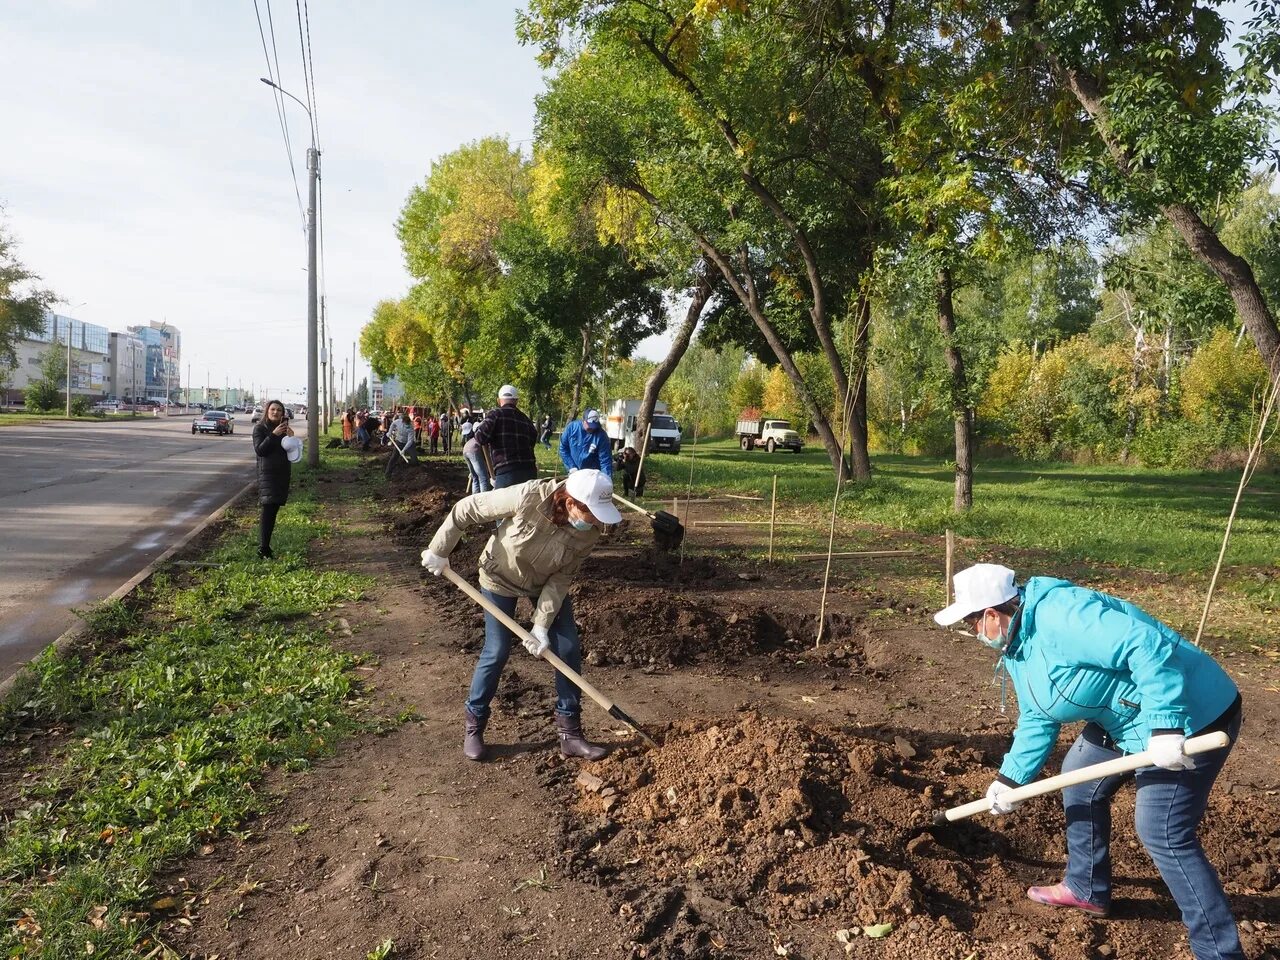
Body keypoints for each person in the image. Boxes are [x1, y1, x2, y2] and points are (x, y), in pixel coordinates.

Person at [933, 564, 1244, 960]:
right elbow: (1038, 714)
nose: (975, 634)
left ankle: (1218, 951)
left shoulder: (1062, 618)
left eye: (973, 624)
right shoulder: (1017, 642)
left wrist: (1166, 725)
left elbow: (1146, 646)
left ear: (992, 614)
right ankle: (1087, 888)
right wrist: (1009, 779)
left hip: (1191, 715)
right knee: (1079, 781)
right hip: (1120, 715)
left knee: (1162, 831)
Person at [420, 469, 623, 762]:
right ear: (571, 503)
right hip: (499, 577)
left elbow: (561, 579)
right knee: (498, 649)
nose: (597, 521)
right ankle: (474, 726)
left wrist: (541, 626)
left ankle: (571, 735)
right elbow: (466, 509)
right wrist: (440, 549)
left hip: (543, 585)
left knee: (567, 647)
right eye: (592, 513)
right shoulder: (529, 495)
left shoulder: (588, 534)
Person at [473, 384, 538, 489]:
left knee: (503, 505)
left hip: (506, 472)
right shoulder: (526, 420)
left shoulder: (495, 414)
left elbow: (480, 437)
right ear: (516, 401)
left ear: (499, 401)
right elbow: (533, 441)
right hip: (529, 472)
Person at [252, 400, 294, 559]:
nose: (275, 412)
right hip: (267, 474)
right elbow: (260, 450)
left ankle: (266, 547)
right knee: (268, 509)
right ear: (267, 411)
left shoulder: (285, 430)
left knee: (274, 509)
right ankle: (264, 549)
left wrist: (292, 439)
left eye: (279, 410)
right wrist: (273, 435)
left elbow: (293, 453)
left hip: (282, 473)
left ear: (283, 413)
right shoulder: (260, 428)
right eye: (273, 409)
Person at [559, 409, 613, 479]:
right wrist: (571, 467)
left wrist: (607, 479)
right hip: (574, 471)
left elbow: (605, 460)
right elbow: (563, 448)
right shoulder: (572, 428)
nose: (592, 428)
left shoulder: (602, 436)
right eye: (589, 425)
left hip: (592, 474)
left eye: (594, 426)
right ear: (583, 420)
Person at [460, 417, 490, 493]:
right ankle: (483, 500)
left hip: (466, 449)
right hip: (473, 450)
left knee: (475, 477)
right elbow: (487, 456)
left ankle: (475, 497)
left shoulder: (472, 439)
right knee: (483, 478)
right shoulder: (484, 438)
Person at [386, 411, 417, 478]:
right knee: (394, 457)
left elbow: (410, 441)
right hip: (399, 442)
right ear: (402, 422)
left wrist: (403, 450)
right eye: (406, 424)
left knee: (414, 460)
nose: (407, 425)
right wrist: (389, 432)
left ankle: (413, 475)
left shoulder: (410, 428)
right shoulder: (398, 422)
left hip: (409, 444)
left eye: (408, 424)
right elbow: (393, 424)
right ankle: (388, 474)